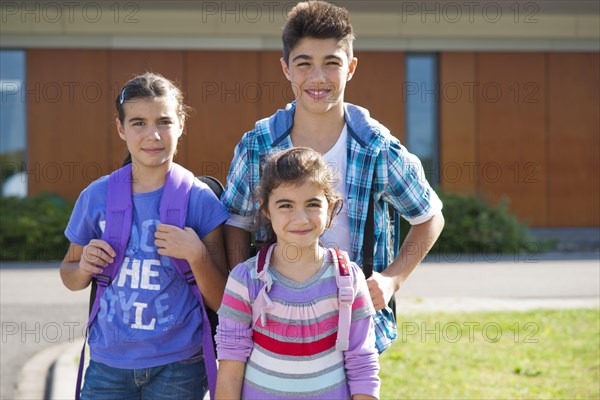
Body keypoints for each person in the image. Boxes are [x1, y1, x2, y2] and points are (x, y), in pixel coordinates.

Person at [221, 0, 444, 354]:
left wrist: (391, 280)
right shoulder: (258, 144)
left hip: (352, 326)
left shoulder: (377, 146)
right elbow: (235, 222)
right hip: (273, 319)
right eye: (304, 64)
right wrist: (242, 291)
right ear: (286, 69)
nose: (318, 78)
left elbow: (430, 216)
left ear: (351, 67)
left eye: (332, 64)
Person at [60, 72, 229, 399]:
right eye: (138, 123)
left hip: (180, 365)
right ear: (121, 129)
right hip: (108, 364)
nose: (152, 134)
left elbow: (222, 299)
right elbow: (69, 276)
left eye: (164, 121)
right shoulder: (96, 197)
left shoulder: (200, 200)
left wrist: (197, 255)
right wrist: (83, 269)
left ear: (181, 124)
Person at [216, 147, 380, 400]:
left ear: (331, 207)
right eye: (285, 205)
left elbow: (363, 364)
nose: (300, 218)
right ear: (265, 209)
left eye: (312, 204)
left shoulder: (348, 279)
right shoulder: (245, 280)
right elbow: (230, 372)